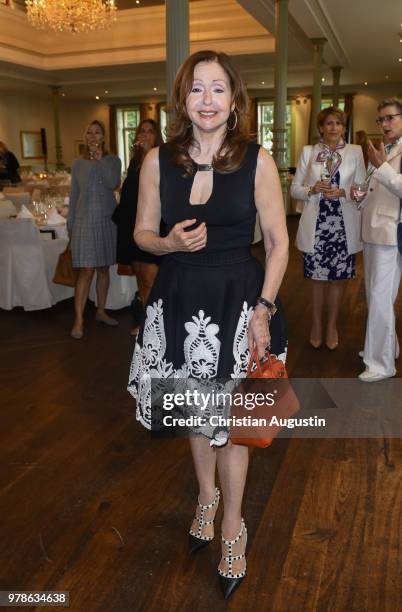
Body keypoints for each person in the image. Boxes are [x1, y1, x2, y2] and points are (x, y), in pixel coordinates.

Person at [127, 50, 288, 599]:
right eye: (197, 89)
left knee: (234, 427)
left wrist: (265, 308)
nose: (208, 100)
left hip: (238, 302)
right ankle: (205, 496)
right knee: (195, 416)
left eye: (219, 89)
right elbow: (143, 234)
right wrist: (167, 242)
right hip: (179, 301)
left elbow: (279, 243)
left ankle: (233, 525)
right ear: (183, 98)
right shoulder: (157, 162)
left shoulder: (257, 162)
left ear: (235, 99)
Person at [291, 107, 366, 349]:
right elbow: (295, 189)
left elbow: (364, 189)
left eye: (339, 123)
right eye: (329, 123)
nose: (334, 128)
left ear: (344, 127)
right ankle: (316, 324)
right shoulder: (308, 152)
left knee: (337, 280)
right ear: (321, 128)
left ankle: (331, 325)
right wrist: (312, 189)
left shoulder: (355, 152)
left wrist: (345, 192)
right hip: (317, 225)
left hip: (343, 226)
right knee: (317, 279)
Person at [359, 98, 402, 381]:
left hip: (390, 231)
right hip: (373, 229)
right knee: (376, 295)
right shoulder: (385, 149)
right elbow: (376, 186)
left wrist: (380, 166)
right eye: (380, 120)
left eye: (390, 118)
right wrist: (360, 194)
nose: (384, 124)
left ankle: (380, 364)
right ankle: (387, 347)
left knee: (379, 297)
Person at [67, 120, 121, 339]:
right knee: (86, 270)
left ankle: (100, 310)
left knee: (103, 269)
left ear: (103, 137)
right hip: (83, 221)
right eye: (89, 133)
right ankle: (79, 320)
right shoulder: (77, 163)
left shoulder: (113, 160)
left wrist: (101, 161)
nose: (92, 137)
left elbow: (113, 183)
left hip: (107, 220)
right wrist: (70, 223)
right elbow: (73, 195)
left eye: (97, 133)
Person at [114, 119, 163, 335]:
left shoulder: (160, 160)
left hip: (152, 226)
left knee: (152, 277)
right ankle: (145, 321)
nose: (144, 135)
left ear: (156, 137)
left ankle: (157, 325)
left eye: (149, 132)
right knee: (140, 277)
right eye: (141, 132)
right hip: (133, 225)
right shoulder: (134, 163)